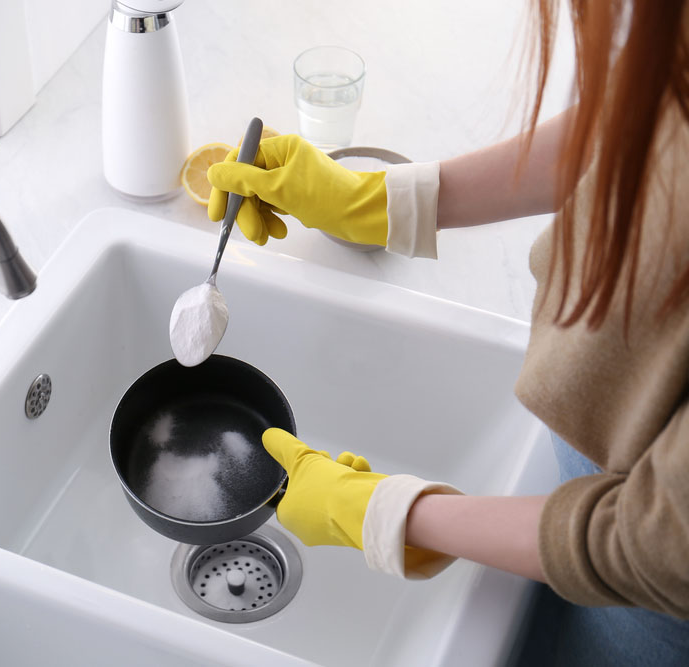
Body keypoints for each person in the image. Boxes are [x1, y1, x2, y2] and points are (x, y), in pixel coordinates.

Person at [205, 1, 689, 664]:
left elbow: (661, 545)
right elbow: (649, 122)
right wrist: (385, 202)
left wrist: (392, 516)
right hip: (589, 504)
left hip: (655, 618)